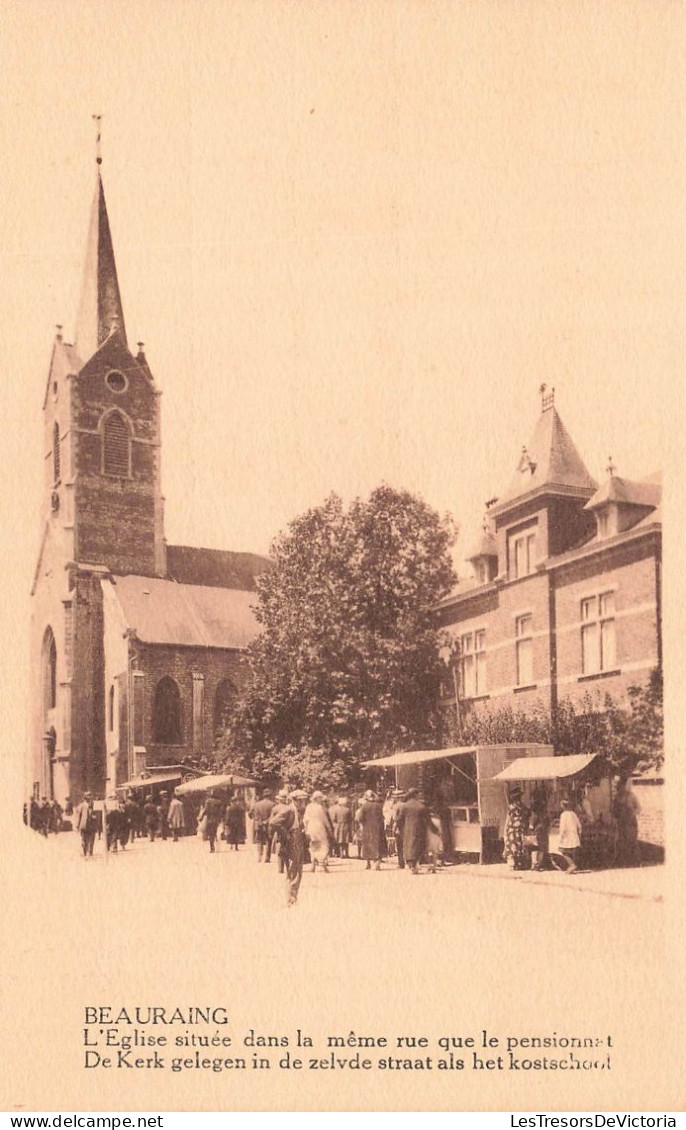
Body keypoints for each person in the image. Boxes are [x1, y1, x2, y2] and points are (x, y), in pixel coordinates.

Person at [268, 789, 308, 906]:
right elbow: (274, 822)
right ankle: (291, 899)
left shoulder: (298, 811)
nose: (303, 803)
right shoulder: (288, 810)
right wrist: (287, 835)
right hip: (291, 843)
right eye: (301, 801)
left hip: (297, 842)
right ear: (295, 800)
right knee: (293, 872)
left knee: (295, 872)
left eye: (304, 801)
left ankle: (292, 897)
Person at [395, 788, 429, 874]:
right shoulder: (421, 806)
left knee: (409, 846)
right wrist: (434, 829)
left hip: (407, 829)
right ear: (416, 795)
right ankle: (416, 863)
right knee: (418, 846)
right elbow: (427, 819)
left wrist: (399, 827)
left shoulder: (405, 806)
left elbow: (399, 819)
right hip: (420, 829)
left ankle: (412, 864)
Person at [303, 791, 333, 872]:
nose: (321, 800)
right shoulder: (320, 807)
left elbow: (305, 819)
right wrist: (329, 828)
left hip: (310, 827)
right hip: (319, 827)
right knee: (323, 844)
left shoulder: (308, 807)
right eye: (320, 798)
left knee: (313, 845)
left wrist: (306, 828)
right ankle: (322, 865)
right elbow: (324, 820)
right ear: (317, 799)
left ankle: (313, 865)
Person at [355, 789, 385, 870]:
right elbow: (381, 817)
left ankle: (368, 863)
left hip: (367, 828)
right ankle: (377, 861)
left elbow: (360, 818)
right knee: (377, 844)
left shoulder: (364, 806)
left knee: (367, 845)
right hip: (377, 828)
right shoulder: (378, 806)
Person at [503, 790, 528, 871]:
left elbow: (508, 818)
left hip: (512, 828)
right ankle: (518, 863)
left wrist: (505, 829)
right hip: (520, 828)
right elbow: (527, 814)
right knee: (519, 844)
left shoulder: (511, 807)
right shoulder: (522, 806)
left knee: (511, 845)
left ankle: (512, 864)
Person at [557, 797, 582, 873]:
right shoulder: (573, 814)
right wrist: (579, 834)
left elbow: (562, 828)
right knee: (571, 851)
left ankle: (571, 865)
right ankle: (571, 866)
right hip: (574, 835)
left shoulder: (563, 815)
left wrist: (560, 837)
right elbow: (579, 825)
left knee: (562, 851)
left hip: (567, 836)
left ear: (563, 806)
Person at [250, 789, 275, 862]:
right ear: (269, 796)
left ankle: (259, 856)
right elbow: (273, 815)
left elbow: (250, 813)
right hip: (268, 825)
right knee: (268, 840)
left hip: (259, 825)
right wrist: (266, 821)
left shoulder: (257, 804)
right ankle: (267, 858)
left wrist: (257, 819)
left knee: (259, 840)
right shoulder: (272, 804)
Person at [269, 791, 290, 872]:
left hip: (278, 832)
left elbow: (271, 822)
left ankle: (280, 868)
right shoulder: (289, 808)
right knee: (288, 849)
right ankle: (288, 867)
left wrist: (270, 833)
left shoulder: (275, 808)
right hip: (288, 830)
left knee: (279, 849)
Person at [74, 792, 97, 858]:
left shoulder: (94, 805)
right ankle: (85, 852)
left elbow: (97, 814)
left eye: (90, 798)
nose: (89, 800)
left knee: (92, 839)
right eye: (88, 798)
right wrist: (77, 826)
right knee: (84, 840)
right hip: (84, 825)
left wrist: (95, 817)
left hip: (92, 825)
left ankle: (90, 853)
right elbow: (78, 816)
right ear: (85, 798)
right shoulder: (81, 806)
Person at [531, 804, 550, 871]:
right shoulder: (545, 815)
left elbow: (531, 825)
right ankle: (540, 863)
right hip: (544, 831)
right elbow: (548, 824)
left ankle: (535, 864)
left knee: (535, 847)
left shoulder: (535, 815)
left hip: (537, 831)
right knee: (542, 848)